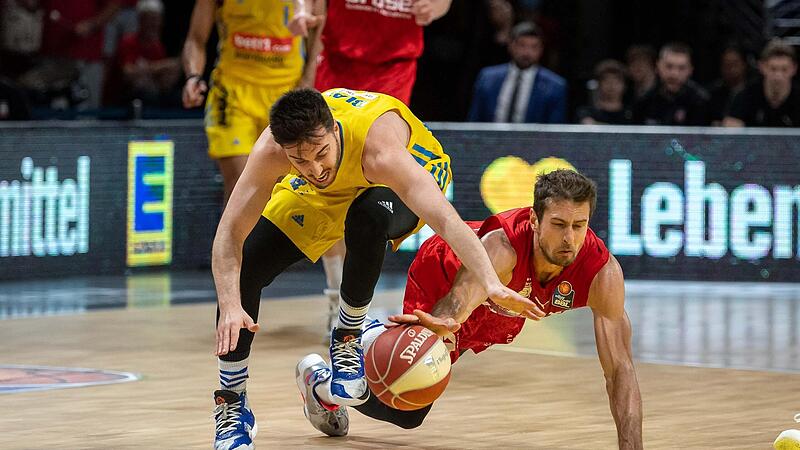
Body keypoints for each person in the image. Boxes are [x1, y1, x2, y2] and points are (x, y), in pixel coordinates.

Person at [210, 88, 543, 450]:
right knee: (246, 268)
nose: (315, 169)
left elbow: (447, 221)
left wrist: (490, 283)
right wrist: (230, 303)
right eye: (300, 161)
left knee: (368, 217)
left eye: (321, 153)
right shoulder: (273, 151)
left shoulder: (380, 149)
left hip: (398, 176)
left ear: (334, 130)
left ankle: (348, 338)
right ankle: (232, 404)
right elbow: (229, 235)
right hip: (329, 195)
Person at [296, 169, 644, 450]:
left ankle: (328, 381)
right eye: (559, 224)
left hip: (499, 312)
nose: (569, 238)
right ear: (535, 220)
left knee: (408, 408)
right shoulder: (503, 247)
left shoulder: (602, 273)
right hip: (444, 275)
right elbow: (459, 300)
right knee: (408, 409)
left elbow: (620, 371)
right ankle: (340, 365)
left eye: (579, 226)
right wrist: (438, 327)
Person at [290, 0, 452, 106]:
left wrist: (433, 8)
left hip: (394, 70)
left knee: (382, 138)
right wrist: (302, 10)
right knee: (327, 137)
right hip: (337, 63)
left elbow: (441, 3)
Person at [468, 21, 567, 124]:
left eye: (534, 47)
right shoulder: (487, 78)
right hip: (491, 134)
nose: (527, 52)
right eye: (522, 45)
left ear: (541, 50)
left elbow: (555, 128)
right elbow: (474, 120)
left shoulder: (554, 86)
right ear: (511, 45)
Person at [723, 38, 800, 128]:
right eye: (773, 69)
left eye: (784, 69)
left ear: (794, 68)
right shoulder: (745, 97)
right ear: (762, 66)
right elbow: (731, 129)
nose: (778, 76)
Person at [632, 42, 709, 126]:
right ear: (658, 66)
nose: (674, 74)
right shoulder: (644, 101)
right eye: (669, 66)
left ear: (690, 70)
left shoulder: (701, 101)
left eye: (681, 68)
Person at [577, 59, 633, 125]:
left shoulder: (632, 113)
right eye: (606, 80)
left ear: (624, 85)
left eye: (616, 81)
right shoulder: (587, 112)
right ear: (599, 84)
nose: (611, 85)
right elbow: (587, 124)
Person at [707, 44, 749, 126]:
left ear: (744, 65)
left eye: (735, 63)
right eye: (727, 64)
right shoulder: (712, 93)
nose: (731, 69)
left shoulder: (753, 93)